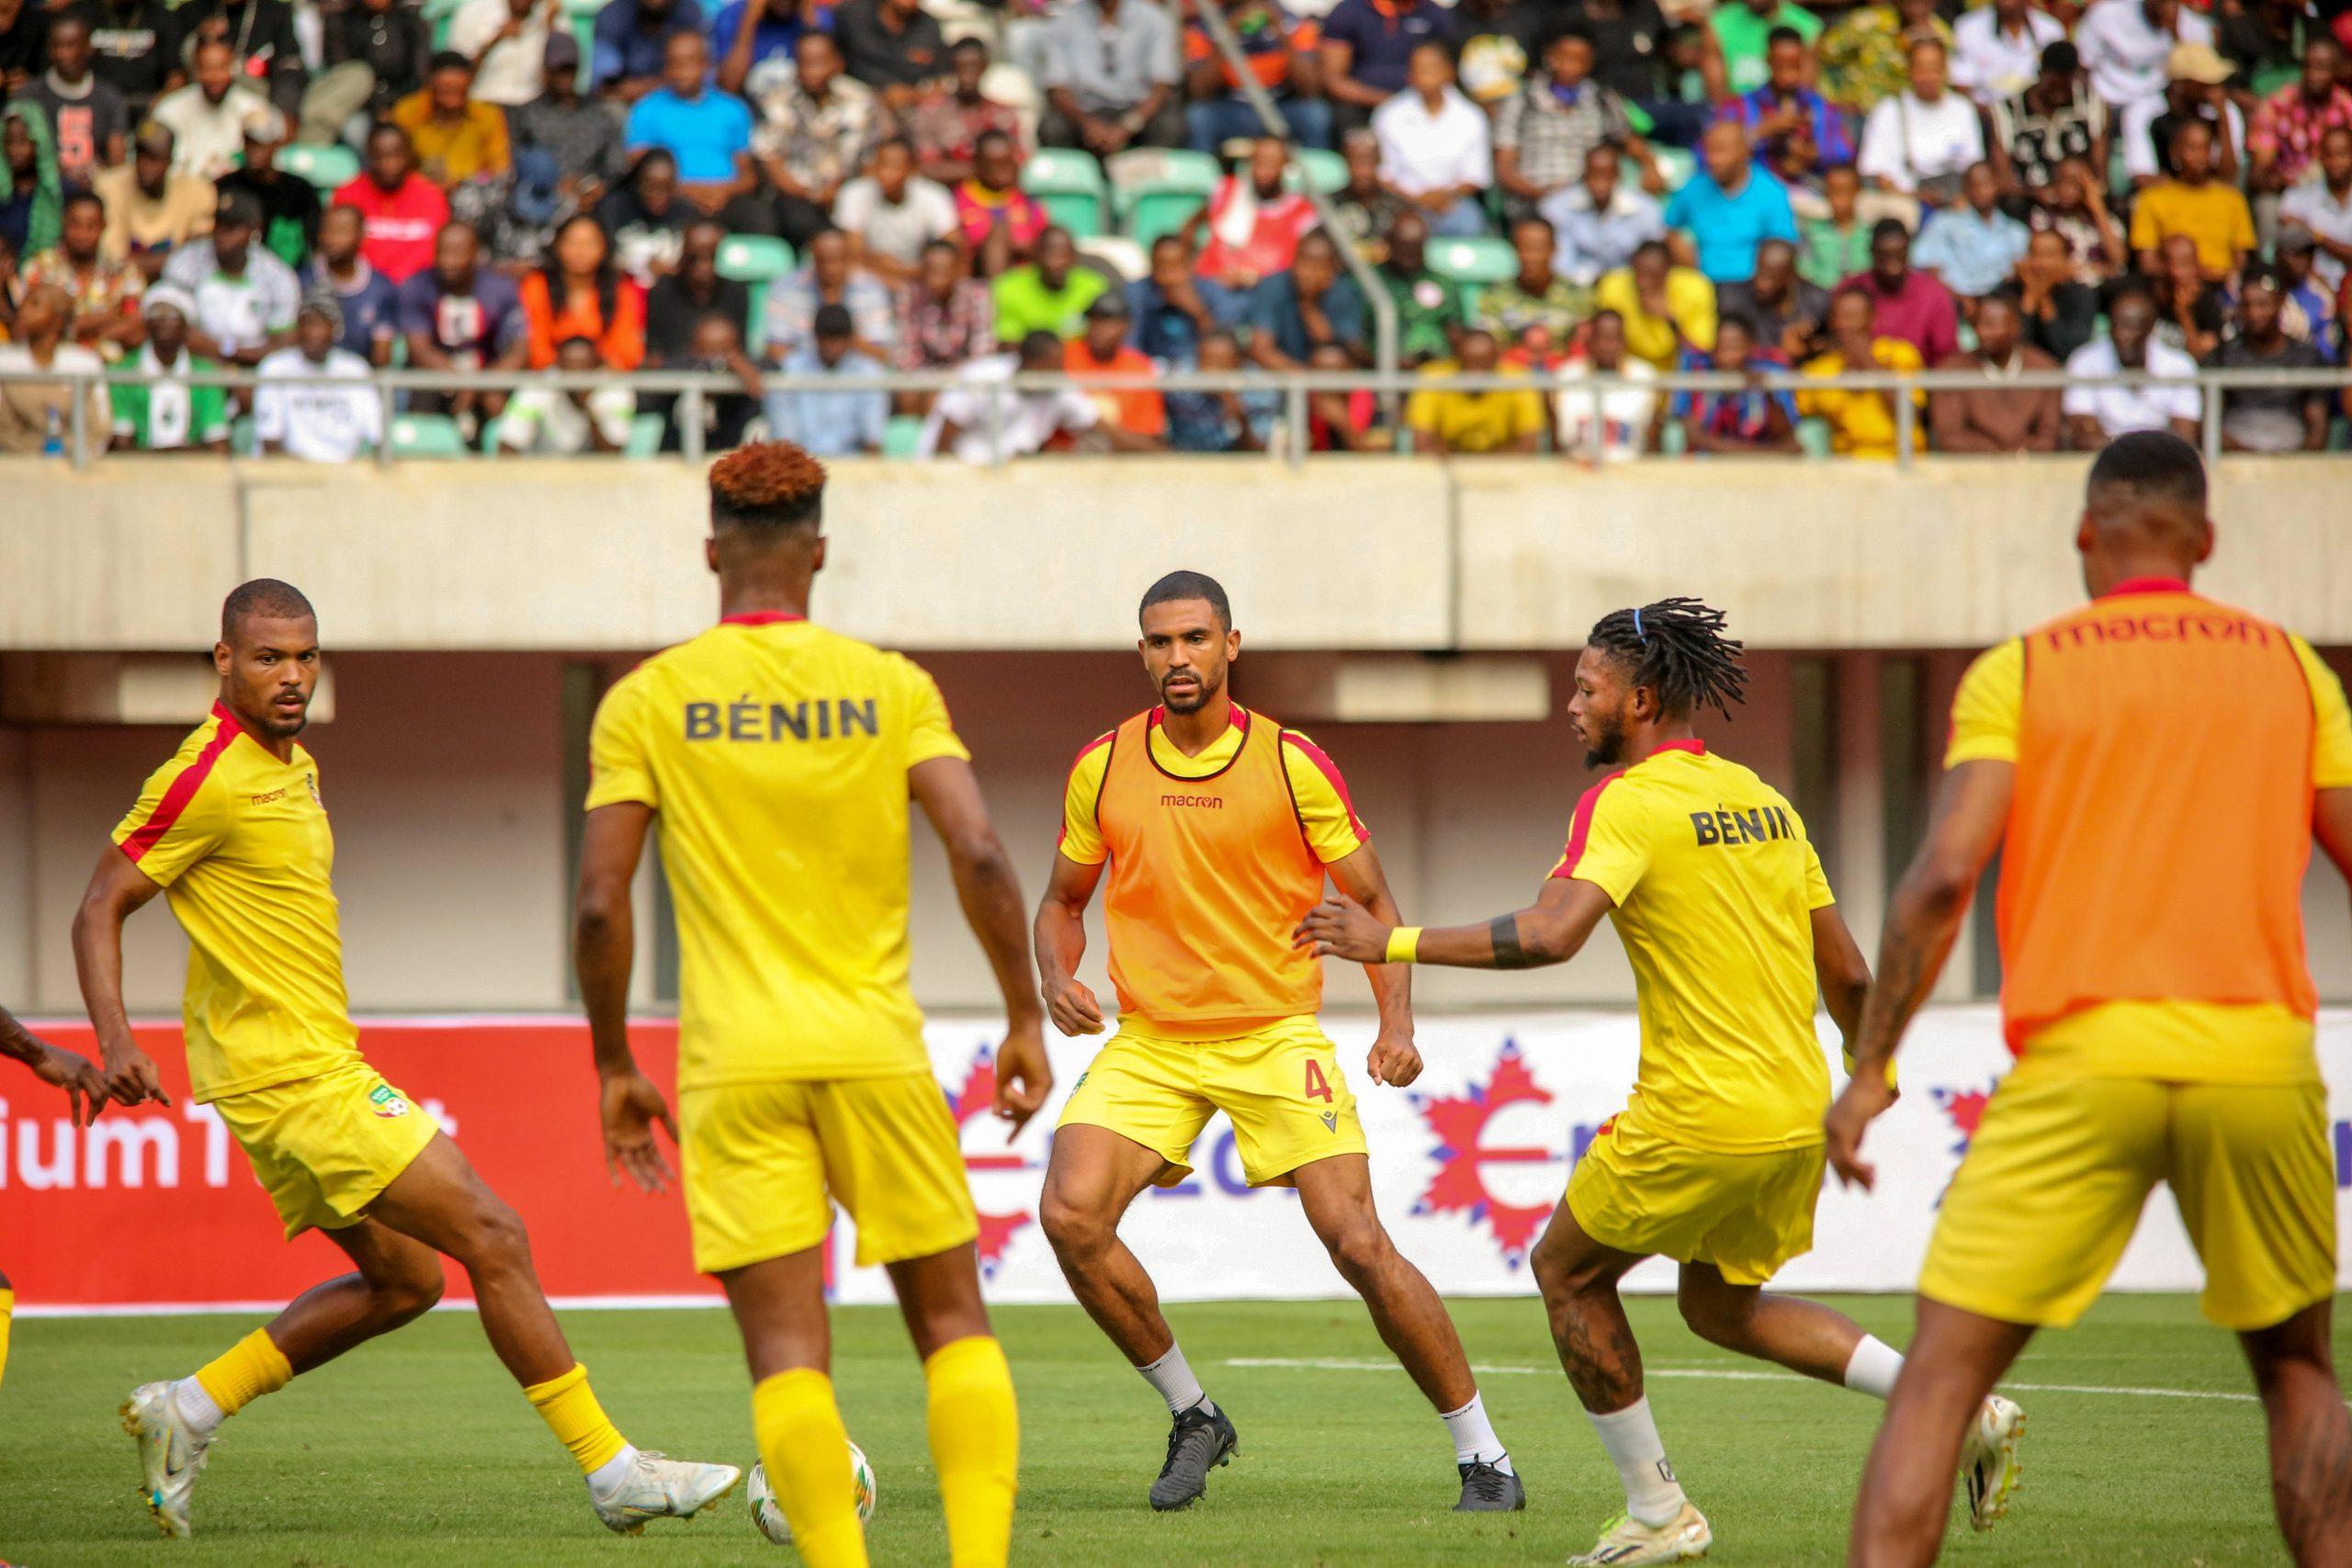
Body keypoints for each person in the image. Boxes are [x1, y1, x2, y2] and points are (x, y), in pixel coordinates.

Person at [1297, 597, 2018, 1568]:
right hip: (1796, 1110)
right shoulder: (1765, 800)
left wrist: (1391, 939)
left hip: (1699, 1115)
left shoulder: (1627, 801)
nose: (1571, 704)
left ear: (1638, 700)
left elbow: (1552, 935)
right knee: (1719, 1308)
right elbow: (1845, 971)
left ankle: (1655, 1512)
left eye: (1586, 688)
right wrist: (1868, 1065)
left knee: (1566, 1272)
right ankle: (1956, 1409)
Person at [77, 578, 737, 1535]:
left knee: (408, 1283)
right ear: (223, 662)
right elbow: (99, 903)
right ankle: (614, 1470)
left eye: (305, 655)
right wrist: (115, 1038)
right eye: (268, 658)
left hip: (294, 1071)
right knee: (496, 1235)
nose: (292, 675)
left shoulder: (288, 765)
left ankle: (189, 1408)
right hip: (294, 1078)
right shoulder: (204, 772)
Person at [1828, 431, 2352, 1568]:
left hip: (2082, 1058)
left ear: (2083, 534)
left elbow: (1938, 881)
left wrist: (1869, 1070)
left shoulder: (2021, 670)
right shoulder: (2293, 667)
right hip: (2257, 1057)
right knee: (2300, 1370)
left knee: (1943, 1374)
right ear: (2204, 541)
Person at [573, 442, 1039, 1566]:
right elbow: (977, 850)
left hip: (734, 1065)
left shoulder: (647, 699)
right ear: (820, 552)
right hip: (874, 1048)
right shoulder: (891, 685)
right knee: (952, 1329)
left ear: (709, 553)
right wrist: (1023, 1015)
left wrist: (611, 1065)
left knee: (788, 1355)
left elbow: (599, 905)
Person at [1038, 570, 1525, 1516]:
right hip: (1153, 1042)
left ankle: (1486, 1459)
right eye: (1159, 642)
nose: (1177, 657)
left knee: (1356, 1242)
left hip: (1272, 1034)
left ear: (1231, 645)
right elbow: (1062, 902)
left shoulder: (1292, 761)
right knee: (1069, 1218)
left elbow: (1373, 903)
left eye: (1194, 638)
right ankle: (1194, 1414)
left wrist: (1396, 1024)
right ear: (1140, 653)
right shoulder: (1101, 765)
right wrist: (1055, 977)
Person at [1494, 27, 1650, 220]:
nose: (1570, 66)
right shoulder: (1521, 101)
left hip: (1589, 204)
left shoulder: (1602, 100)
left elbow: (1629, 140)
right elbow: (1505, 168)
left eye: (1579, 60)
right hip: (1533, 202)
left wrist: (1649, 165)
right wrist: (1544, 194)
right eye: (1564, 57)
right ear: (1549, 56)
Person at [753, 33, 879, 248]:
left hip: (846, 191)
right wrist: (811, 194)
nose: (811, 72)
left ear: (837, 63)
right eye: (805, 63)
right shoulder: (777, 99)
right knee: (795, 219)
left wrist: (839, 191)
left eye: (819, 63)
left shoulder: (860, 98)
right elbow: (770, 159)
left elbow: (869, 159)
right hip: (795, 195)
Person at [401, 219, 527, 425]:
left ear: (476, 253)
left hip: (488, 376)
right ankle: (421, 450)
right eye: (442, 252)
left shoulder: (501, 289)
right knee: (423, 388)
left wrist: (480, 384)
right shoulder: (417, 286)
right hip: (436, 375)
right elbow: (419, 349)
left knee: (498, 402)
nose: (448, 261)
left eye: (458, 253)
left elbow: (518, 351)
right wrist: (461, 381)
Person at [625, 32, 756, 229]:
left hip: (726, 197)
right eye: (674, 63)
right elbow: (640, 171)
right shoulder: (646, 109)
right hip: (672, 199)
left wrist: (720, 192)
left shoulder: (733, 109)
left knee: (758, 219)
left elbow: (748, 176)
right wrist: (690, 191)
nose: (681, 71)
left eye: (690, 62)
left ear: (706, 65)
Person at [920, 329, 1117, 459]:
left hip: (1015, 482)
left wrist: (1148, 454)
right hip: (964, 472)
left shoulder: (1057, 388)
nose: (1060, 374)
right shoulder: (982, 378)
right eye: (1053, 369)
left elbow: (1105, 429)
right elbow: (943, 441)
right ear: (1031, 365)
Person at [1183, 136, 1317, 323]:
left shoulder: (1302, 211)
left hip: (1263, 294)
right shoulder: (1228, 192)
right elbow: (1190, 226)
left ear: (1285, 166)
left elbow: (1303, 264)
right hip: (1208, 283)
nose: (1262, 171)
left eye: (1270, 164)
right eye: (1257, 162)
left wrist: (1253, 279)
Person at [163, 189, 300, 367]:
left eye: (232, 227)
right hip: (196, 367)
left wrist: (224, 349)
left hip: (256, 372)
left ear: (254, 230)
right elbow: (172, 331)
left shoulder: (277, 275)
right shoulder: (185, 261)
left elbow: (281, 347)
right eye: (218, 224)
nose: (221, 234)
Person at [1372, 40, 1490, 239]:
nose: (1424, 74)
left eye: (1431, 68)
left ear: (1449, 71)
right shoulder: (1388, 114)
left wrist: (1443, 197)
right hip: (1402, 202)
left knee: (1469, 223)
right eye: (1418, 69)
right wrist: (1416, 199)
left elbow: (1475, 176)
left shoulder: (1472, 117)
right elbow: (1383, 174)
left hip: (1453, 202)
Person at [2207, 265, 2330, 452]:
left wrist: (2292, 464)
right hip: (2235, 463)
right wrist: (2252, 459)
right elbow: (2210, 426)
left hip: (2295, 463)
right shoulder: (2224, 356)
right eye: (2247, 305)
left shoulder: (2306, 357)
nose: (2254, 314)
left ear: (2281, 303)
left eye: (2263, 305)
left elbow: (2318, 429)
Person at [1182, 0, 1330, 154]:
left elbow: (1310, 89)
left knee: (1315, 114)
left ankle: (1317, 174)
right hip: (1231, 108)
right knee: (1198, 117)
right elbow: (1199, 92)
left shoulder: (1296, 24)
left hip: (1281, 107)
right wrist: (1226, 35)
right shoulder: (1203, 27)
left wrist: (1282, 35)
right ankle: (1200, 176)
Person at [2061, 286, 2199, 447]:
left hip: (2162, 460)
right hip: (2105, 459)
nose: (2121, 334)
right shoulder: (2084, 360)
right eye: (2115, 325)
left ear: (2150, 329)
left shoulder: (2179, 365)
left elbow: (2184, 435)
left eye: (2130, 326)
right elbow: (2083, 433)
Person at [1799, 283, 1925, 458]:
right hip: (1846, 466)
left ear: (1871, 319)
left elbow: (1911, 414)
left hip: (1901, 460)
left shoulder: (1901, 355)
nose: (1843, 325)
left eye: (1851, 317)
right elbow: (1796, 421)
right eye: (1837, 317)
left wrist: (1869, 363)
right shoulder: (1819, 370)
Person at [248, 294, 379, 460]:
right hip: (289, 472)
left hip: (344, 473)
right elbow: (270, 442)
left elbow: (377, 436)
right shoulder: (275, 368)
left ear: (336, 330)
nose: (312, 333)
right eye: (306, 324)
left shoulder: (355, 370)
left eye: (320, 325)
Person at [1927, 288, 2061, 451]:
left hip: (2032, 469)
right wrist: (2001, 454)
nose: (1981, 332)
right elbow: (1950, 436)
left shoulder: (2045, 369)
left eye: (1991, 325)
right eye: (1976, 324)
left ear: (2016, 327)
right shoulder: (1951, 371)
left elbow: (2049, 435)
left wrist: (2020, 455)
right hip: (1970, 470)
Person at [1667, 119, 1799, 286]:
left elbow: (1783, 246)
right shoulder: (1694, 188)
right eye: (1708, 151)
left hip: (1752, 288)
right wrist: (1680, 249)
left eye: (1721, 151)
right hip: (1702, 284)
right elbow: (1668, 227)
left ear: (1745, 152)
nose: (1713, 160)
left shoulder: (1771, 193)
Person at [1038, 0, 1182, 152]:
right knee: (1052, 127)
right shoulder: (1064, 22)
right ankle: (1070, 176)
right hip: (1084, 113)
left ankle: (1149, 175)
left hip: (1136, 113)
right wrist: (1089, 125)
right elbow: (1057, 88)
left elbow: (1162, 85)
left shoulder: (1153, 19)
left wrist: (1127, 127)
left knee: (1170, 125)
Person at [1858, 40, 1984, 212]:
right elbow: (1872, 173)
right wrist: (1914, 196)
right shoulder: (1888, 110)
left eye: (1934, 68)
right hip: (1905, 200)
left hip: (1954, 198)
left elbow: (1974, 168)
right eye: (1921, 69)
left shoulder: (1963, 109)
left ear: (1945, 70)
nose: (1928, 76)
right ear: (1909, 71)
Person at [17, 187, 143, 357]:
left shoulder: (124, 271)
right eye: (75, 225)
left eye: (91, 226)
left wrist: (72, 331)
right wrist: (108, 317)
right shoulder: (39, 268)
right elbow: (25, 327)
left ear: (103, 226)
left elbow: (135, 327)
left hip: (108, 370)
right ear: (63, 222)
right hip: (53, 368)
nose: (82, 234)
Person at [513, 33, 628, 212]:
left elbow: (616, 165)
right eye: (557, 69)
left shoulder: (600, 113)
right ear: (545, 69)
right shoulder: (527, 114)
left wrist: (597, 186)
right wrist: (554, 186)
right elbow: (516, 161)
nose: (564, 75)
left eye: (569, 69)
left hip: (593, 201)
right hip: (542, 202)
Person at [1718, 27, 1856, 175]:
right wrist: (1759, 133)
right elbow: (1713, 153)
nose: (1788, 77)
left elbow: (1845, 153)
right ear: (1768, 61)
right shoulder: (1738, 106)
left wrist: (1814, 154)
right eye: (1781, 67)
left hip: (1807, 190)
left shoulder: (1820, 107)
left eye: (1795, 67)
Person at [2131, 119, 2256, 280]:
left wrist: (2220, 276)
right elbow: (2147, 263)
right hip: (2174, 283)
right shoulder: (2152, 199)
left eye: (2205, 148)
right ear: (2174, 152)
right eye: (2192, 148)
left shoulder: (2232, 199)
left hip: (2221, 286)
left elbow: (2241, 259)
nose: (2200, 156)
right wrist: (2186, 274)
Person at [111, 284, 231, 450]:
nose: (163, 320)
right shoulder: (123, 371)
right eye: (155, 313)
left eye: (172, 314)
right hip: (139, 469)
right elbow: (121, 443)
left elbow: (217, 443)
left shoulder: (205, 373)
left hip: (194, 470)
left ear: (186, 326)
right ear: (146, 323)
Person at [521, 211, 646, 368]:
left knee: (616, 394)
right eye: (572, 243)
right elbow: (535, 345)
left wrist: (595, 367)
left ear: (604, 248)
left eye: (590, 244)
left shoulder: (620, 289)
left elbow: (627, 348)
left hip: (604, 373)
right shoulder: (536, 286)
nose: (580, 251)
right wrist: (564, 367)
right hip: (550, 373)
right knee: (532, 394)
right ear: (557, 246)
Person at [761, 300, 886, 455]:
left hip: (854, 465)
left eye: (839, 339)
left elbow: (872, 440)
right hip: (802, 464)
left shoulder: (869, 373)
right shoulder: (788, 371)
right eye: (827, 338)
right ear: (816, 337)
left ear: (850, 339)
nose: (833, 346)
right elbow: (784, 441)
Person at [1318, 0, 1459, 136]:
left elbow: (1445, 69)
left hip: (1419, 105)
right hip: (1362, 105)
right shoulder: (1348, 12)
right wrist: (1390, 102)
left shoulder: (1435, 15)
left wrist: (1409, 103)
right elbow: (1334, 80)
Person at [1989, 41, 2108, 203]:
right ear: (2040, 74)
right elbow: (2003, 179)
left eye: (2065, 87)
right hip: (2028, 202)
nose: (2059, 95)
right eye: (2053, 87)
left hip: (2080, 202)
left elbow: (2099, 170)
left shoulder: (2090, 104)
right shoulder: (2008, 111)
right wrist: (2035, 194)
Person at [334, 123, 450, 286]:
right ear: (368, 155)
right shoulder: (347, 194)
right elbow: (337, 247)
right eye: (380, 156)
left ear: (409, 155)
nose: (388, 164)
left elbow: (441, 251)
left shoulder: (432, 196)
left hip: (418, 290)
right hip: (363, 289)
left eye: (397, 156)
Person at [0, 281, 109, 451]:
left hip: (75, 464)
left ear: (58, 320)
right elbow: (5, 430)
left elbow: (99, 428)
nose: (23, 312)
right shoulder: (5, 363)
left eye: (35, 305)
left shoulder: (85, 364)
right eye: (23, 304)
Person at [835, 138, 957, 287]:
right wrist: (895, 283)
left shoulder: (934, 195)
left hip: (921, 277)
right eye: (881, 165)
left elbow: (952, 248)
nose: (884, 173)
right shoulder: (854, 193)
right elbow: (854, 255)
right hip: (873, 278)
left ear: (912, 170)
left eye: (894, 167)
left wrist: (909, 271)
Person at [24, 16, 128, 189]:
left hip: (96, 191)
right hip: (44, 192)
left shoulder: (109, 97)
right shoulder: (29, 97)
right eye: (56, 46)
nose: (62, 54)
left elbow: (119, 164)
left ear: (88, 48)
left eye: (70, 46)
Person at [1403, 325, 1544, 453]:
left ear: (1496, 361)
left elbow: (1529, 445)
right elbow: (1422, 444)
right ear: (1456, 360)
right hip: (1448, 468)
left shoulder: (1518, 379)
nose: (1476, 374)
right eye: (1469, 364)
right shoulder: (1433, 378)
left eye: (1484, 365)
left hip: (1504, 470)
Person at [94, 121, 212, 273]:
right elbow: (114, 260)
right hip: (122, 283)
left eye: (154, 159)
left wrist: (139, 262)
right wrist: (174, 259)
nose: (145, 166)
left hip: (177, 284)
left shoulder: (197, 191)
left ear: (170, 161)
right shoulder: (109, 185)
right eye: (140, 156)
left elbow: (198, 258)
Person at [1671, 314, 1797, 453]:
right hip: (1711, 465)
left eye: (1735, 348)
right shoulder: (1697, 374)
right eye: (1723, 348)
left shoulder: (1769, 374)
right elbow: (1694, 436)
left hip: (1760, 467)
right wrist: (1754, 454)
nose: (1728, 357)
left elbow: (1789, 439)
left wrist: (1767, 395)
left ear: (1750, 347)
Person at [1543, 141, 1665, 286]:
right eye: (1594, 175)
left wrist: (1616, 284)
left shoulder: (1646, 209)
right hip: (1575, 286)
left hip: (1629, 288)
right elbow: (1561, 262)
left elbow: (1652, 259)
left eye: (1607, 175)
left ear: (1618, 176)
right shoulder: (1558, 207)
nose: (1600, 183)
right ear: (1584, 175)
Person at [1840, 217, 1957, 366]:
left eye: (1899, 254)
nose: (1892, 264)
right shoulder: (1851, 290)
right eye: (1884, 255)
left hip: (1918, 383)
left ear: (1909, 250)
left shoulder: (1933, 295)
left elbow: (1946, 353)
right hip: (1858, 382)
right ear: (1872, 252)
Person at [1243, 226, 1365, 368]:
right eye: (1302, 261)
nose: (1305, 272)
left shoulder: (1344, 293)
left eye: (1316, 265)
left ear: (1333, 268)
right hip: (1281, 375)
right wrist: (1303, 382)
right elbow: (1261, 350)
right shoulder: (1272, 286)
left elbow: (1339, 353)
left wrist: (1309, 306)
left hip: (1326, 379)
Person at [2075, 0, 2213, 126]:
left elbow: (2195, 75)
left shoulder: (2195, 27)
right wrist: (2088, 105)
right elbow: (2084, 63)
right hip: (2106, 97)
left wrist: (2174, 32)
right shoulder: (2107, 13)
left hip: (2156, 102)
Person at [907, 37, 1023, 185]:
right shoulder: (931, 112)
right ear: (952, 69)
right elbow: (926, 168)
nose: (967, 75)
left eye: (974, 66)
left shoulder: (1003, 114)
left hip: (995, 198)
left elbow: (1016, 164)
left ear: (985, 67)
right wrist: (986, 170)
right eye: (961, 67)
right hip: (947, 196)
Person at [764, 227, 894, 359]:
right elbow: (775, 352)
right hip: (803, 372)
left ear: (849, 258)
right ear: (812, 257)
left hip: (856, 372)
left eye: (837, 260)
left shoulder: (871, 290)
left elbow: (881, 355)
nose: (830, 269)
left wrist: (842, 339)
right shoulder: (785, 288)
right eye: (822, 260)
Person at [1911, 161, 2029, 307]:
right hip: (1954, 304)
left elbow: (2016, 275)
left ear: (1997, 185)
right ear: (1965, 188)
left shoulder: (2016, 232)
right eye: (1974, 185)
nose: (1980, 190)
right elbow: (1929, 267)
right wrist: (1960, 300)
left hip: (1999, 306)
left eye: (1986, 183)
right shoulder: (1944, 223)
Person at [2247, 37, 2352, 197]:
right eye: (2308, 67)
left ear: (2336, 71)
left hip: (2337, 193)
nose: (2313, 75)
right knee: (2267, 207)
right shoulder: (2277, 105)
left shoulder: (2347, 108)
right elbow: (2259, 171)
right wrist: (2280, 181)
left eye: (2321, 68)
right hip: (2286, 192)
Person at [217, 107, 319, 271]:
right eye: (249, 141)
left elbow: (313, 241)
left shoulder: (300, 191)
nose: (253, 148)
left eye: (261, 142)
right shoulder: (226, 187)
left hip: (288, 274)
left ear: (278, 143)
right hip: (232, 272)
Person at [148, 38, 266, 179]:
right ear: (196, 70)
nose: (215, 77)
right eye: (208, 69)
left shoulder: (253, 108)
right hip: (184, 192)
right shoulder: (169, 109)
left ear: (233, 68)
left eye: (222, 68)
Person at [393, 51, 513, 189]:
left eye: (458, 90)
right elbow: (394, 163)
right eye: (445, 89)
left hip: (471, 195)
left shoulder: (488, 116)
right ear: (430, 82)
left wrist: (461, 184)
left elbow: (500, 170)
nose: (451, 98)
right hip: (420, 193)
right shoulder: (407, 113)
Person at [1595, 237, 1716, 371]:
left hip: (1677, 376)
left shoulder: (1695, 288)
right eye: (1639, 274)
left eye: (1653, 275)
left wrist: (1670, 320)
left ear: (1669, 271)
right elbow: (1605, 345)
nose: (1643, 282)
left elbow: (1701, 355)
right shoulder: (1614, 287)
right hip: (1630, 376)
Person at [1059, 289, 1165, 443]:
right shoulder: (1063, 356)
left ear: (1126, 326)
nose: (1098, 329)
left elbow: (1147, 431)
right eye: (1093, 320)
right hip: (1063, 455)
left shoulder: (1140, 367)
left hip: (1120, 458)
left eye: (1108, 322)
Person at [499, 332, 633, 452]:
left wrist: (588, 411)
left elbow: (613, 455)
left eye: (583, 368)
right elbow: (508, 445)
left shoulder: (613, 391)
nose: (576, 376)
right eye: (571, 367)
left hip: (594, 475)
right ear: (558, 365)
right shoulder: (538, 388)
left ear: (596, 366)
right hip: (543, 472)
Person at [314, 0, 433, 136]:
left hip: (402, 103)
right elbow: (342, 74)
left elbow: (419, 75)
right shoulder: (339, 22)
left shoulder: (412, 22)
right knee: (354, 130)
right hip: (358, 105)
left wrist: (394, 107)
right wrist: (376, 108)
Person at [1554, 309, 1657, 461]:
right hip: (1575, 469)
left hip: (1631, 469)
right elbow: (1560, 438)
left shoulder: (1644, 376)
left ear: (1624, 341)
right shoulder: (1567, 375)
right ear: (1589, 341)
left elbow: (1651, 437)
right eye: (1600, 338)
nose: (1607, 346)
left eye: (1614, 338)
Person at [302, 203, 400, 365]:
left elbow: (381, 357)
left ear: (361, 236)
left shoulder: (381, 288)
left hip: (360, 382)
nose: (331, 238)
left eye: (341, 231)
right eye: (327, 230)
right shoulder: (303, 281)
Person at [1817, 0, 1951, 115]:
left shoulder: (1943, 36)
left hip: (1912, 120)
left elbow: (1944, 87)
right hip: (1860, 115)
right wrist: (1832, 100)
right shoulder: (1869, 22)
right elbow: (1822, 53)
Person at [893, 235, 994, 388]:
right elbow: (906, 350)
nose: (936, 278)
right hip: (924, 376)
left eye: (943, 270)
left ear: (957, 270)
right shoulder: (911, 296)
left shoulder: (977, 295)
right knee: (907, 391)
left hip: (967, 378)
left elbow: (982, 351)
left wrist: (951, 382)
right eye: (931, 270)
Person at [1476, 213, 1592, 345]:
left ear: (1553, 250)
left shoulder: (1579, 296)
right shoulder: (1494, 296)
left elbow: (1583, 348)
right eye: (1524, 248)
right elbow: (1490, 346)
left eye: (1538, 249)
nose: (1530, 258)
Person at [646, 218, 749, 366]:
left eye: (710, 257)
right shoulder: (662, 292)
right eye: (694, 258)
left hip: (724, 379)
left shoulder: (736, 293)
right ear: (683, 255)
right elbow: (654, 354)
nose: (703, 266)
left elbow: (740, 351)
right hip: (675, 376)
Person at [1374, 207, 1468, 364]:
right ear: (1389, 241)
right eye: (1404, 244)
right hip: (1382, 369)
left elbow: (1456, 329)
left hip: (1437, 372)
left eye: (1416, 244)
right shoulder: (1370, 280)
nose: (1410, 251)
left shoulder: (1443, 283)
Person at [71, 0, 186, 121]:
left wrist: (159, 106)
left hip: (148, 106)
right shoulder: (83, 13)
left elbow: (177, 77)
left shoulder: (161, 16)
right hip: (95, 106)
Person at [1716, 237, 1826, 362]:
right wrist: (1782, 352)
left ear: (1791, 276)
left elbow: (1835, 346)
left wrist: (1810, 347)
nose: (1761, 284)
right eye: (1760, 272)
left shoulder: (1817, 301)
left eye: (1771, 277)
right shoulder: (1736, 301)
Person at [952, 128, 1046, 276]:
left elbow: (1044, 246)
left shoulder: (1029, 202)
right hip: (978, 278)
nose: (1005, 170)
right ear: (978, 164)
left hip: (1026, 278)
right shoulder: (956, 202)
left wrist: (1023, 248)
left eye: (1009, 161)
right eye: (996, 164)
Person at [990, 225, 1105, 343]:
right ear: (1035, 255)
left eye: (1064, 254)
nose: (1058, 262)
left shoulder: (1095, 289)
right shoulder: (1009, 288)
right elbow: (1008, 341)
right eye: (1051, 254)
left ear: (1075, 257)